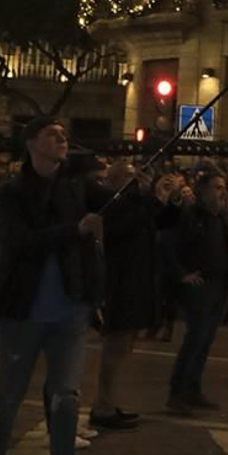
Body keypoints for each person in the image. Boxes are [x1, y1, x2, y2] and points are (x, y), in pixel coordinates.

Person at [0, 119, 101, 455]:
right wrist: (73, 230)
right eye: (52, 134)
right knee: (9, 397)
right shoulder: (11, 193)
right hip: (23, 312)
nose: (62, 139)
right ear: (31, 143)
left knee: (66, 399)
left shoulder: (74, 187)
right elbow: (19, 243)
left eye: (64, 134)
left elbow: (117, 210)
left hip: (69, 311)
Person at [90, 159, 158, 429]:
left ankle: (109, 401)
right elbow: (125, 227)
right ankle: (103, 405)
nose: (134, 181)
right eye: (129, 177)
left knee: (125, 344)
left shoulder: (133, 204)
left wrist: (150, 196)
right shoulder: (112, 206)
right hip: (120, 282)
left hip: (135, 279)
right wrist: (140, 197)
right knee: (116, 344)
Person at [167, 169, 228, 414]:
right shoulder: (190, 215)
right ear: (204, 191)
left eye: (223, 187)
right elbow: (170, 245)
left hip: (217, 285)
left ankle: (192, 389)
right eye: (217, 187)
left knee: (205, 341)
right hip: (200, 286)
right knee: (195, 340)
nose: (222, 192)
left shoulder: (217, 218)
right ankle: (178, 392)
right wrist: (182, 274)